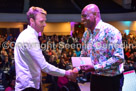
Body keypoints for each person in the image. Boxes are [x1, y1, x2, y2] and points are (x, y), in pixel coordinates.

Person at [14, 6, 77, 91]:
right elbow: (44, 66)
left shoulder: (26, 34)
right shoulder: (30, 38)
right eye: (41, 21)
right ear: (32, 21)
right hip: (28, 86)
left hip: (26, 85)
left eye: (45, 21)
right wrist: (67, 73)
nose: (45, 24)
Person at [77, 4, 125, 91]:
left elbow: (119, 58)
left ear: (95, 15)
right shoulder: (86, 34)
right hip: (95, 77)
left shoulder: (110, 31)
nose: (82, 19)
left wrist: (95, 67)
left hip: (111, 79)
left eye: (84, 16)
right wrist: (77, 68)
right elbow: (84, 54)